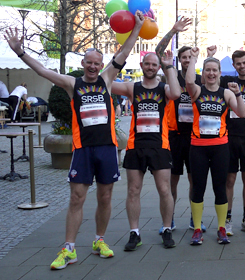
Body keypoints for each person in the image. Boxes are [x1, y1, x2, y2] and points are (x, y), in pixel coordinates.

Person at [4, 11, 144, 270]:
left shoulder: (106, 79)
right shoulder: (72, 84)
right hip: (82, 150)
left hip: (106, 149)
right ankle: (68, 248)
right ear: (83, 63)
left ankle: (99, 241)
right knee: (77, 198)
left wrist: (136, 28)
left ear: (101, 64)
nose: (92, 66)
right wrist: (19, 52)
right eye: (89, 62)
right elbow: (43, 71)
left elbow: (124, 52)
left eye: (96, 63)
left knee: (105, 197)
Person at [112, 48, 182, 250]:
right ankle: (134, 233)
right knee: (133, 190)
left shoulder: (164, 89)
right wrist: (117, 60)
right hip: (136, 146)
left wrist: (169, 66)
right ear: (141, 66)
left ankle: (167, 229)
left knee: (164, 189)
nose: (150, 67)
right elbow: (106, 82)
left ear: (158, 67)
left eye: (154, 64)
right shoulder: (132, 87)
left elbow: (177, 93)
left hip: (160, 145)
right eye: (147, 63)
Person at [185, 48, 245, 245]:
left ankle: (221, 228)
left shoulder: (226, 93)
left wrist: (238, 95)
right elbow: (188, 81)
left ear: (220, 73)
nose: (211, 73)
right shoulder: (196, 91)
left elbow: (242, 114)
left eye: (215, 70)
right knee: (198, 188)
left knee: (220, 187)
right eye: (207, 70)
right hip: (198, 147)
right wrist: (194, 59)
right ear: (203, 73)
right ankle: (196, 229)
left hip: (220, 147)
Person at [207, 43, 245, 235]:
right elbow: (209, 76)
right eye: (238, 64)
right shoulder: (227, 81)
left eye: (244, 63)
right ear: (233, 66)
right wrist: (210, 56)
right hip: (229, 137)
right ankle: (228, 219)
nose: (241, 66)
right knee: (230, 179)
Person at [154, 17, 197, 234]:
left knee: (193, 179)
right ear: (179, 60)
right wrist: (173, 30)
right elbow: (159, 50)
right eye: (184, 57)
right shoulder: (171, 74)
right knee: (172, 180)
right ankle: (169, 220)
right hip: (173, 135)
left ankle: (193, 218)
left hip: (195, 136)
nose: (187, 59)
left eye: (191, 56)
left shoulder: (200, 78)